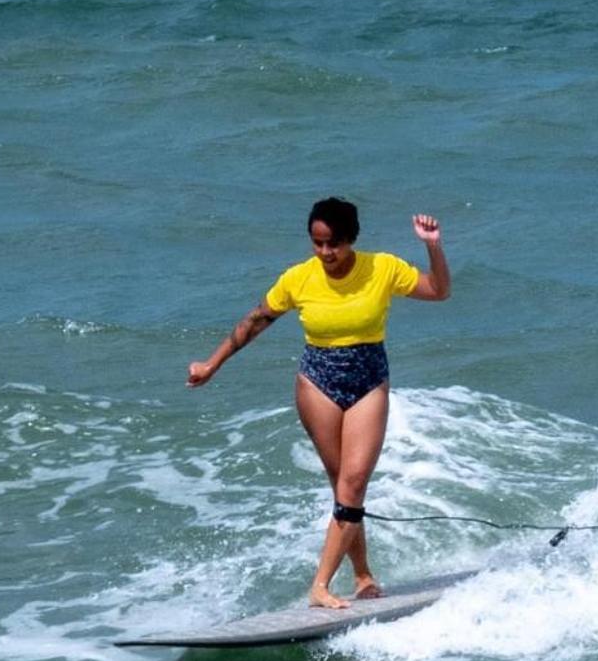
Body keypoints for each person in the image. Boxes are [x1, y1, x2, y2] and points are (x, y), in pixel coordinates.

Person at [188, 198, 450, 609]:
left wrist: (432, 246)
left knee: (353, 484)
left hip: (368, 379)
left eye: (334, 244)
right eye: (318, 243)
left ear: (352, 239)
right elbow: (256, 320)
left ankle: (320, 586)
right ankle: (362, 577)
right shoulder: (299, 278)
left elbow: (438, 291)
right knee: (342, 486)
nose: (326, 253)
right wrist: (211, 364)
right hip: (317, 383)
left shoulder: (382, 267)